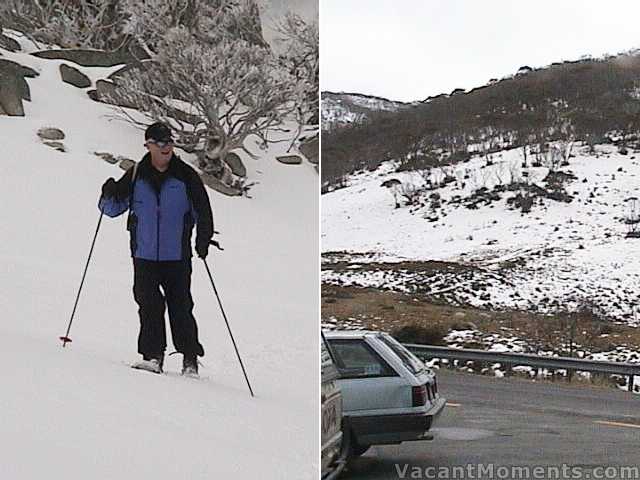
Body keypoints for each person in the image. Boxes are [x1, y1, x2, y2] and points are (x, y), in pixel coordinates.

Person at [99, 122, 214, 376]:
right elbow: (111, 209)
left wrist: (202, 240)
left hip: (177, 255)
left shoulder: (186, 175)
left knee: (181, 306)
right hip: (144, 254)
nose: (166, 148)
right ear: (148, 145)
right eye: (160, 143)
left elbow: (203, 211)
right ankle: (152, 356)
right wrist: (107, 193)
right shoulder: (136, 174)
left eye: (169, 142)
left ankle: (190, 359)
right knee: (148, 305)